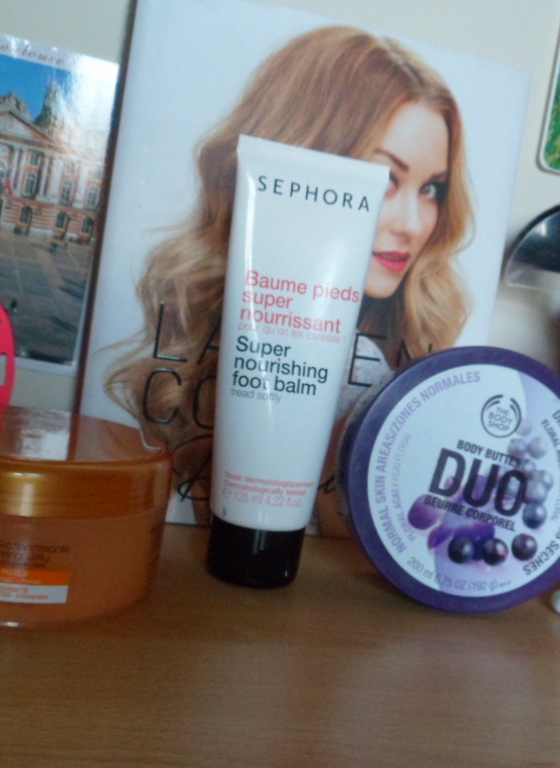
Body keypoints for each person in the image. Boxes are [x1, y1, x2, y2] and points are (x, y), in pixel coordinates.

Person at [106, 25, 475, 529]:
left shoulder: (381, 375)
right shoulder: (191, 349)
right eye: (385, 180)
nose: (412, 224)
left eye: (432, 189)